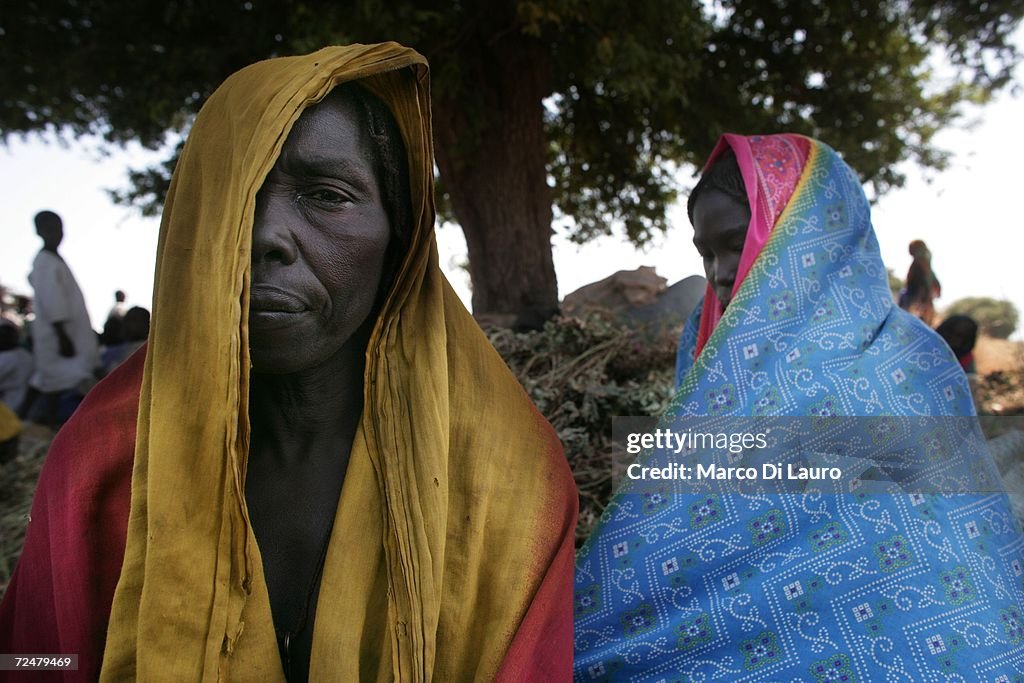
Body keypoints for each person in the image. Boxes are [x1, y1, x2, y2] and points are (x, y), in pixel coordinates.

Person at [0, 44, 577, 681]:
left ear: (402, 237)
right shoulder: (101, 462)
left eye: (327, 195)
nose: (263, 235)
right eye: (233, 193)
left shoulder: (507, 481)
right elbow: (35, 657)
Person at [574, 134, 1023, 680]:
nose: (719, 270)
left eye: (737, 243)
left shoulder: (904, 362)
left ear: (807, 235)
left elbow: (942, 543)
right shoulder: (716, 355)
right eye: (706, 252)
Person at [20, 210, 99, 428]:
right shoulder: (44, 261)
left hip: (69, 333)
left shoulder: (54, 260)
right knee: (61, 381)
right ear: (39, 231)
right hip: (61, 336)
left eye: (59, 228)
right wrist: (62, 335)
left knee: (58, 381)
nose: (57, 233)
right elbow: (51, 298)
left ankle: (55, 427)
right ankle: (56, 428)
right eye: (50, 228)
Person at [98, 305, 149, 376]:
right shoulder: (114, 350)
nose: (129, 325)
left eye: (135, 320)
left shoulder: (149, 351)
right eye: (127, 320)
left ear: (148, 324)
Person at [901, 238, 941, 325]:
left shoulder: (922, 259)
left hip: (918, 294)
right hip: (918, 294)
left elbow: (927, 274)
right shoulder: (920, 261)